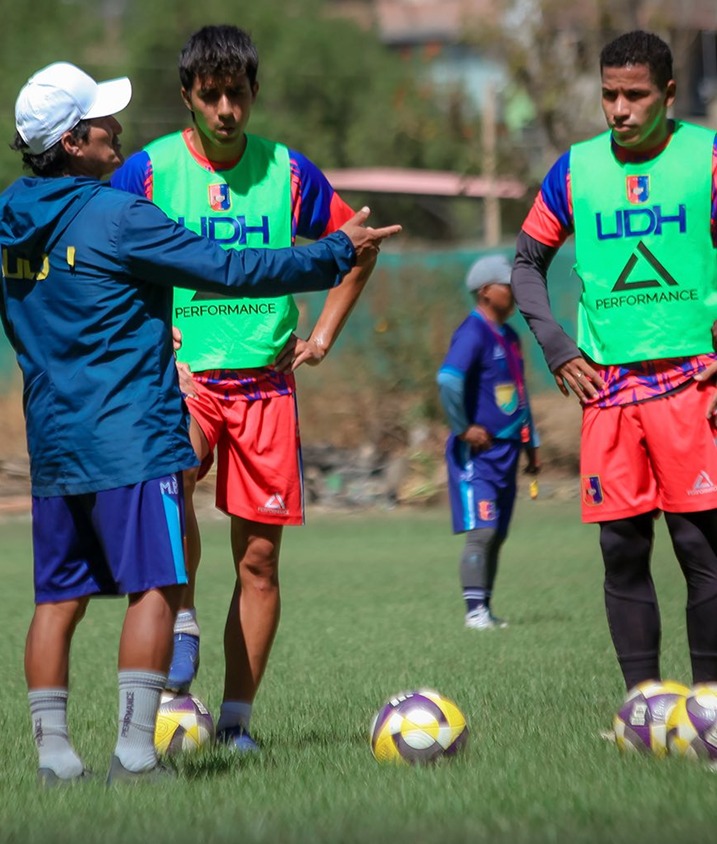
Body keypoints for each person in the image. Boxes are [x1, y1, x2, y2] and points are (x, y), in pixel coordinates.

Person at [0, 60, 399, 786]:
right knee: (157, 587)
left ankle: (54, 758)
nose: (115, 128)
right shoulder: (119, 215)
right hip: (135, 436)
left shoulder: (8, 222)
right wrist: (336, 252)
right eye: (100, 123)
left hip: (55, 441)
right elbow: (229, 268)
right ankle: (133, 755)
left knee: (58, 600)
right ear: (70, 142)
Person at [111, 24, 385, 751]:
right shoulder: (147, 171)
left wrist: (322, 333)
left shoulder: (289, 173)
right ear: (187, 100)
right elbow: (102, 248)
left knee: (259, 561)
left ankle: (236, 724)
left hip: (266, 388)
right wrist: (147, 330)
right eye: (211, 96)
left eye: (237, 94)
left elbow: (357, 244)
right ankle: (185, 615)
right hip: (185, 378)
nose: (227, 109)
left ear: (254, 94)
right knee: (173, 478)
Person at [511, 30, 717, 692]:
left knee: (699, 547)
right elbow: (525, 264)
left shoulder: (705, 158)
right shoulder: (574, 170)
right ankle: (643, 703)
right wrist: (556, 346)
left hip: (692, 385)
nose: (618, 109)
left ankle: (710, 705)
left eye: (634, 95)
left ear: (667, 94)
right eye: (608, 95)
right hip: (608, 391)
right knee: (620, 549)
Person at [437, 254, 540, 630]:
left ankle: (486, 608)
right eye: (508, 286)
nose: (515, 293)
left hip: (509, 450)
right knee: (482, 531)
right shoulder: (473, 332)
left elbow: (519, 394)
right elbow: (448, 380)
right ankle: (474, 613)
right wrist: (463, 427)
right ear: (485, 291)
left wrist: (532, 443)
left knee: (498, 534)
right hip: (478, 453)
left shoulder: (510, 336)